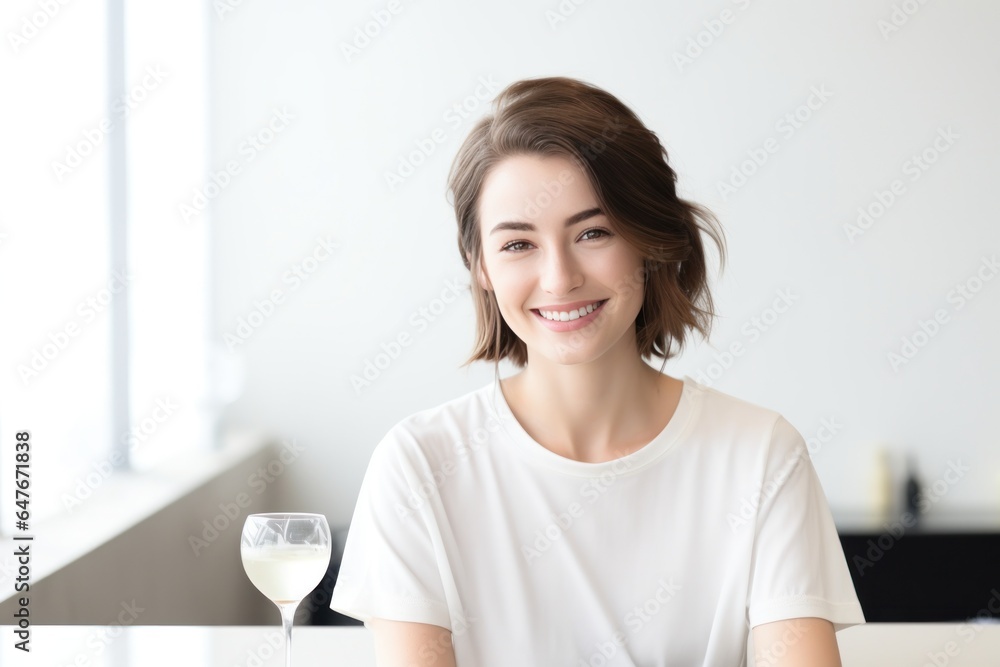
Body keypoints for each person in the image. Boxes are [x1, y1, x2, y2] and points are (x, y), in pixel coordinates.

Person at [330, 76, 865, 666]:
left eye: (593, 233)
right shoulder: (418, 466)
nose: (559, 278)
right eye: (518, 244)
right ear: (479, 265)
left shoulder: (761, 455)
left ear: (650, 241)